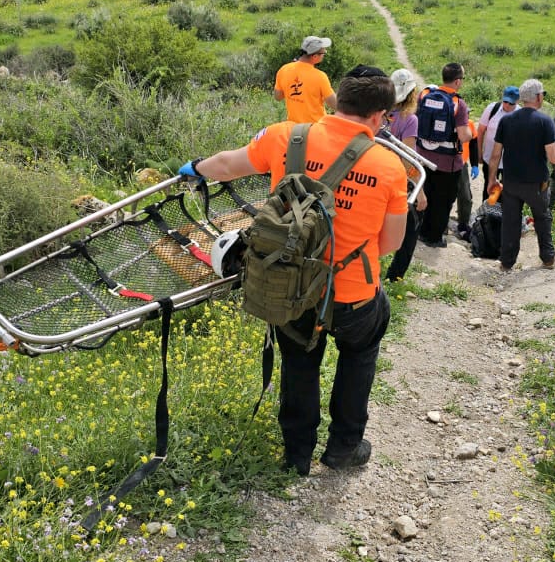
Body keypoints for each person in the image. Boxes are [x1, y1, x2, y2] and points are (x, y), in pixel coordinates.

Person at [186, 67, 408, 475]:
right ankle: (344, 446)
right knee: (358, 360)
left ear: (337, 100)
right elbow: (391, 243)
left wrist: (195, 167)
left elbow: (226, 165)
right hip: (354, 293)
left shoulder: (285, 135)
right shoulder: (389, 166)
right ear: (379, 116)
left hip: (290, 285)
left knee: (299, 365)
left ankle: (297, 455)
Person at [486, 79, 555, 271]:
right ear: (538, 97)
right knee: (542, 218)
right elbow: (554, 157)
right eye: (542, 94)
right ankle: (547, 259)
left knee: (510, 222)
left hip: (510, 181)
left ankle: (506, 263)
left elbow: (496, 155)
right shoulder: (545, 121)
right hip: (536, 183)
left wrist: (491, 180)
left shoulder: (507, 120)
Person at [415, 63, 472, 247]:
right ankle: (434, 238)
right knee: (444, 200)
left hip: (423, 156)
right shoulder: (458, 104)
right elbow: (463, 136)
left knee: (426, 195)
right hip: (448, 163)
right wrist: (471, 132)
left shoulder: (424, 95)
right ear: (457, 81)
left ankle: (419, 231)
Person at [384, 68, 428, 282]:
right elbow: (408, 157)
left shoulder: (380, 113)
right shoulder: (409, 119)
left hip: (376, 175)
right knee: (411, 230)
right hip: (399, 181)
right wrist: (420, 191)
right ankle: (394, 277)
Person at [273, 35, 337, 123]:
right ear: (314, 56)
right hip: (314, 128)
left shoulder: (284, 69)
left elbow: (278, 97)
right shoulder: (320, 76)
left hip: (293, 129)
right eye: (323, 52)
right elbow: (334, 104)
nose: (325, 53)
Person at [477, 85, 519, 200]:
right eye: (505, 101)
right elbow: (480, 131)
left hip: (509, 165)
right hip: (489, 159)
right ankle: (485, 216)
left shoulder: (520, 114)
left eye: (511, 103)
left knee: (506, 195)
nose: (507, 105)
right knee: (488, 190)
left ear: (517, 101)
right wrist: (479, 152)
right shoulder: (492, 109)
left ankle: (501, 217)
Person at [454, 116, 478, 238]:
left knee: (465, 196)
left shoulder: (470, 124)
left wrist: (474, 165)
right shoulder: (449, 121)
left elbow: (474, 144)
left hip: (462, 164)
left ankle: (463, 223)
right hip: (446, 162)